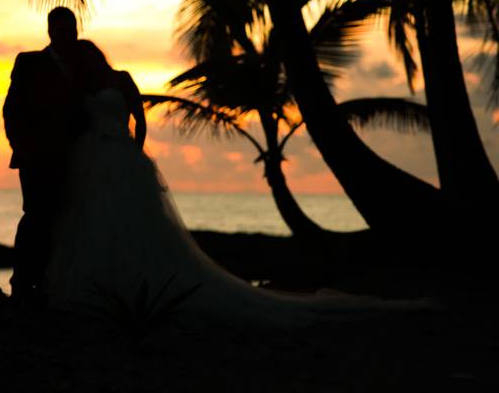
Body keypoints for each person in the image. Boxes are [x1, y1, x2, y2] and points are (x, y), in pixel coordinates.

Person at [43, 40, 432, 328]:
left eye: (90, 55)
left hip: (122, 155)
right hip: (93, 155)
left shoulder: (119, 79)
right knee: (98, 226)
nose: (88, 61)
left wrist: (135, 148)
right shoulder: (81, 89)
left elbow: (138, 118)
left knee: (138, 226)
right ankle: (101, 290)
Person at [2, 7, 86, 303]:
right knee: (35, 216)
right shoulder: (29, 62)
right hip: (35, 156)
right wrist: (20, 146)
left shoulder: (83, 67)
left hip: (71, 159)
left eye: (72, 30)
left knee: (61, 218)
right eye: (62, 30)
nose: (68, 36)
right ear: (51, 32)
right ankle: (23, 282)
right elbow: (11, 109)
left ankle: (48, 282)